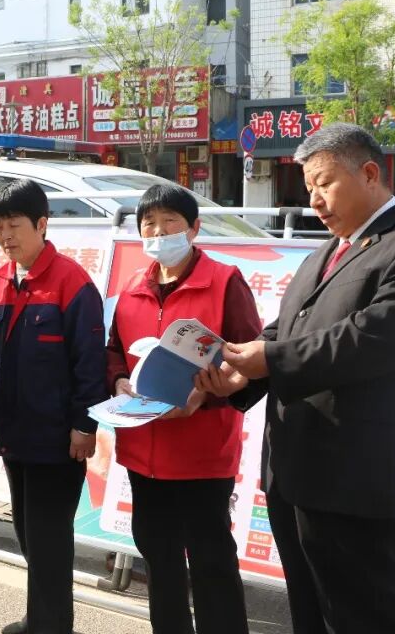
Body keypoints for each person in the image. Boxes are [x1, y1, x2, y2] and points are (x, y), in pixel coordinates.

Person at [196, 123, 395, 634]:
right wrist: (238, 374)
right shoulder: (325, 253)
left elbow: (371, 338)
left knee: (371, 618)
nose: (315, 201)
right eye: (308, 188)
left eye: (324, 183)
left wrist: (270, 360)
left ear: (370, 174)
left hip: (360, 482)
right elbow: (285, 329)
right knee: (311, 615)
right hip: (297, 476)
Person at [106, 183, 260, 634]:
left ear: (193, 228)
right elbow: (113, 350)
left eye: (169, 222)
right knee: (159, 560)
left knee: (211, 562)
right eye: (149, 224)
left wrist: (207, 394)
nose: (158, 232)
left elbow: (250, 359)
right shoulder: (131, 287)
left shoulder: (224, 281)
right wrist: (117, 380)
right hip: (143, 451)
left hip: (202, 452)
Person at [0, 179, 108, 634]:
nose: (5, 236)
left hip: (56, 438)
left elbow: (90, 361)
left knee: (49, 539)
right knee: (29, 534)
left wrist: (84, 424)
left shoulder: (72, 282)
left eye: (14, 225)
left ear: (42, 224)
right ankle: (42, 620)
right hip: (12, 432)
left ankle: (50, 626)